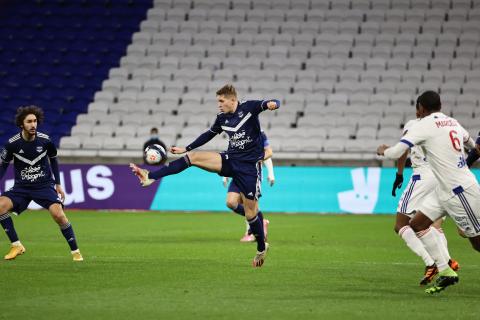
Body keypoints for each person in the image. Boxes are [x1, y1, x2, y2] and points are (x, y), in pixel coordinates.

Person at [130, 84, 280, 267]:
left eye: (221, 101)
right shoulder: (222, 118)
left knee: (251, 213)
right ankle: (151, 176)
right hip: (230, 160)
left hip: (249, 168)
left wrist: (273, 104)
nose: (219, 104)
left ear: (232, 100)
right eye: (218, 101)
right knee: (192, 157)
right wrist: (186, 148)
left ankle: (261, 247)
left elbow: (271, 103)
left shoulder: (249, 107)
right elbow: (208, 134)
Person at [377, 91, 480, 294]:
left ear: (421, 108)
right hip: (444, 188)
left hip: (460, 191)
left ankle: (444, 266)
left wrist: (384, 151)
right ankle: (446, 271)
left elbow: (398, 152)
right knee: (417, 224)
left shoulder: (422, 125)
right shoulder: (452, 122)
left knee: (477, 243)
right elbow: (471, 145)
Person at [0, 106, 83, 261]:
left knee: (59, 215)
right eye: (29, 121)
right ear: (21, 124)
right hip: (21, 187)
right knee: (0, 207)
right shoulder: (12, 144)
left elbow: (54, 160)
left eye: (35, 121)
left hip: (43, 186)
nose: (33, 125)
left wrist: (58, 184)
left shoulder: (45, 141)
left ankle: (76, 252)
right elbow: (3, 165)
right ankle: (16, 245)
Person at [392, 104, 459, 286]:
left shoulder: (413, 125)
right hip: (441, 177)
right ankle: (448, 261)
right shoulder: (443, 126)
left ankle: (432, 263)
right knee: (432, 224)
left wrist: (399, 174)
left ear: (420, 110)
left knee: (400, 225)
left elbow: (402, 151)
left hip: (422, 177)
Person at [223, 129, 274, 242]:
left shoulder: (259, 133)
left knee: (249, 204)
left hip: (252, 174)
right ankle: (261, 222)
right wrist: (225, 174)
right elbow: (230, 155)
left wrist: (271, 173)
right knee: (231, 203)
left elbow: (267, 153)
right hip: (237, 174)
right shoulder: (236, 131)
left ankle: (251, 232)